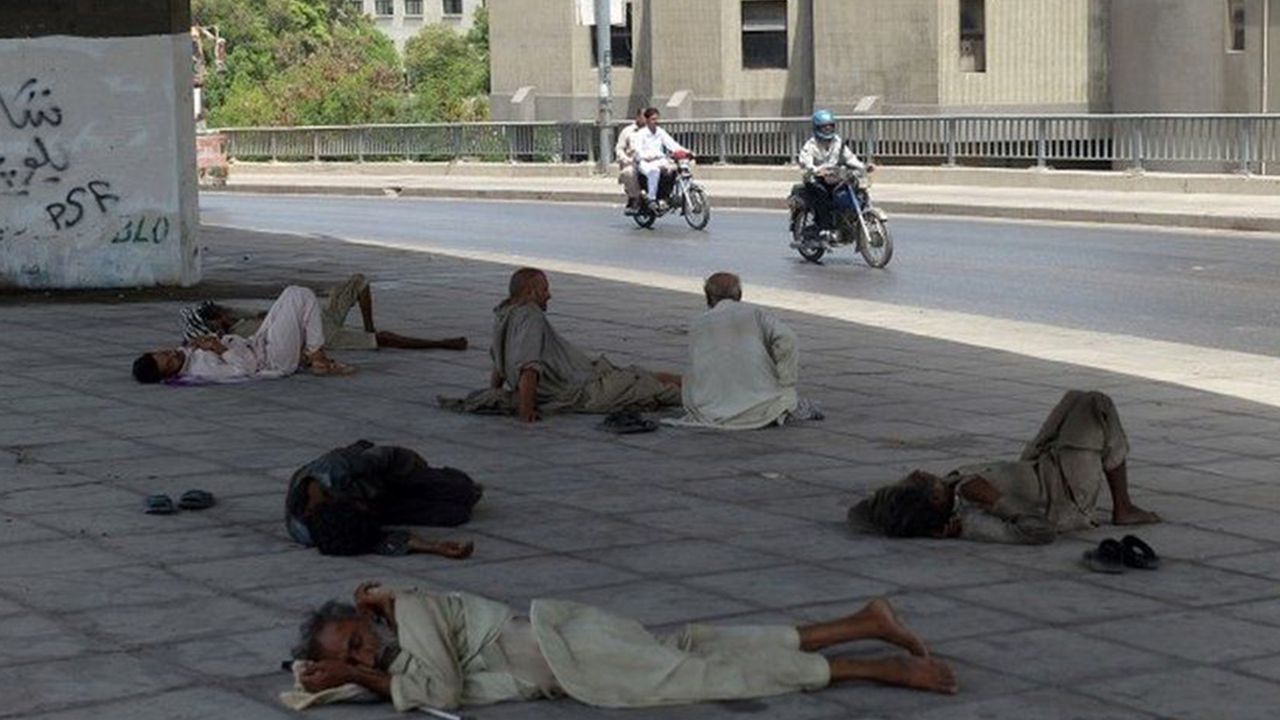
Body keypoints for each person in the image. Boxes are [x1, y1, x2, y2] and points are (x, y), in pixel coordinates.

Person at [284, 581, 957, 713]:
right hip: (576, 651)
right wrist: (335, 675)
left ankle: (878, 668)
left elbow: (441, 692)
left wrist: (354, 675)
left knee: (704, 675)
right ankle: (862, 622)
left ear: (366, 618)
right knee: (703, 646)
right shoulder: (393, 652)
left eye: (357, 641)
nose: (364, 656)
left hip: (570, 650)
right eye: (352, 654)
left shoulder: (411, 608)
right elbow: (390, 681)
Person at [848, 390, 1162, 544]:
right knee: (1096, 404)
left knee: (1075, 398)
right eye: (917, 481)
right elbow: (1040, 532)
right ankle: (1124, 508)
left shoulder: (948, 494)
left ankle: (1116, 496)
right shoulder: (972, 521)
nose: (918, 472)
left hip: (1037, 465)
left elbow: (860, 514)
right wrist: (995, 500)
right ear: (933, 498)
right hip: (1066, 493)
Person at [489, 268, 682, 423]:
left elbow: (499, 363)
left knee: (642, 375)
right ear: (530, 292)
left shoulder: (504, 314)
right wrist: (526, 410)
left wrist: (494, 391)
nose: (549, 295)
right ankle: (699, 394)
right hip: (586, 389)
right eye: (545, 290)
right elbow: (528, 369)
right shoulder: (531, 316)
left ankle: (697, 383)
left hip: (589, 376)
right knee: (652, 388)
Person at [666, 272, 821, 430]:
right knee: (787, 397)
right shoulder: (755, 313)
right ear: (739, 294)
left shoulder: (698, 323)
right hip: (760, 405)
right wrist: (785, 380)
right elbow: (788, 339)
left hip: (710, 409)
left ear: (708, 297)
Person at [285, 440, 481, 558]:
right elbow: (373, 540)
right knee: (456, 515)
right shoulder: (311, 533)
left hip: (383, 476)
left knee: (463, 491)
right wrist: (433, 547)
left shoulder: (338, 468)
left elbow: (389, 456)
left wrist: (419, 472)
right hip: (378, 504)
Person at [181, 273, 467, 352]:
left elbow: (258, 310)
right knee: (383, 339)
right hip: (318, 334)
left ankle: (369, 327)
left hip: (319, 315)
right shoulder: (239, 336)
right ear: (215, 325)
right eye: (217, 315)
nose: (223, 312)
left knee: (359, 282)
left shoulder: (237, 316)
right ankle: (440, 343)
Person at [132, 285, 352, 384]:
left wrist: (212, 339)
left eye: (165, 353)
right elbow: (246, 369)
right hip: (270, 360)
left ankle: (313, 354)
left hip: (256, 342)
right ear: (169, 375)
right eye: (170, 362)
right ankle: (317, 356)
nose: (173, 355)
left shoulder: (186, 354)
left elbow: (196, 345)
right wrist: (219, 349)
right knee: (300, 295)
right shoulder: (202, 370)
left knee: (289, 293)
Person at [796, 109, 869, 238]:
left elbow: (850, 158)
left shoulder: (838, 142)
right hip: (815, 179)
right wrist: (815, 170)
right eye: (825, 127)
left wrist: (863, 167)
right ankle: (825, 228)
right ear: (817, 128)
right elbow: (805, 161)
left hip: (834, 177)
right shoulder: (811, 145)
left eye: (830, 126)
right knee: (822, 194)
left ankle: (847, 220)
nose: (828, 129)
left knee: (853, 189)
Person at [632, 107, 689, 209]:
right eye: (653, 119)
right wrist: (646, 156)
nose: (656, 121)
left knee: (678, 167)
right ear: (647, 120)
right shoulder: (641, 134)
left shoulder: (660, 132)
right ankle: (651, 198)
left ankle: (673, 196)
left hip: (660, 160)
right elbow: (637, 151)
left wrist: (686, 152)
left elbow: (672, 144)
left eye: (657, 119)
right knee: (654, 171)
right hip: (645, 162)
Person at [615, 108, 647, 215]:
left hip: (649, 161)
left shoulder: (653, 130)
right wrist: (625, 159)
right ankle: (635, 198)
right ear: (638, 117)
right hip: (632, 162)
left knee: (669, 169)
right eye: (644, 116)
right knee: (629, 172)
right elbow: (619, 149)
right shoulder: (628, 131)